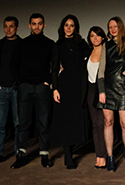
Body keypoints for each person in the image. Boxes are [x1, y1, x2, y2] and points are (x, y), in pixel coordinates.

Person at [10, 13, 55, 169]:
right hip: (25, 87)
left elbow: (55, 67)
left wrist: (47, 81)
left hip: (42, 88)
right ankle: (20, 155)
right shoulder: (22, 44)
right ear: (29, 25)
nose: (37, 26)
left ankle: (44, 155)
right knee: (23, 124)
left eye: (40, 23)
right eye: (34, 24)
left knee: (43, 123)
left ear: (44, 25)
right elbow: (12, 65)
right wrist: (21, 82)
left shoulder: (50, 43)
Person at [98, 16, 125, 172]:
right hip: (107, 88)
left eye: (115, 26)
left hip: (123, 88)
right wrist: (101, 91)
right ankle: (110, 158)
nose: (112, 29)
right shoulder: (106, 46)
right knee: (108, 122)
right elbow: (101, 71)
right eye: (110, 27)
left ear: (121, 27)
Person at [51, 15, 90, 169]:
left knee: (77, 118)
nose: (68, 28)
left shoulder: (82, 43)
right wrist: (55, 89)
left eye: (71, 25)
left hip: (80, 83)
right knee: (66, 119)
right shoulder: (58, 45)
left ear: (76, 28)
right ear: (62, 27)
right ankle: (68, 155)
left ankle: (74, 147)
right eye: (66, 25)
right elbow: (54, 69)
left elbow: (92, 57)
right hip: (65, 84)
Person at [0, 16, 21, 163]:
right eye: (6, 26)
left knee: (18, 124)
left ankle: (18, 153)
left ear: (17, 28)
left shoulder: (22, 44)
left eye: (11, 26)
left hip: (17, 89)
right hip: (0, 89)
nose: (8, 29)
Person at [86, 26, 106, 169]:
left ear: (103, 37)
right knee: (94, 125)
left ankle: (103, 155)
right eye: (92, 35)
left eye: (98, 35)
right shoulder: (87, 52)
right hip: (90, 89)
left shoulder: (107, 52)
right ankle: (98, 155)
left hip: (103, 89)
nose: (95, 38)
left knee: (102, 124)